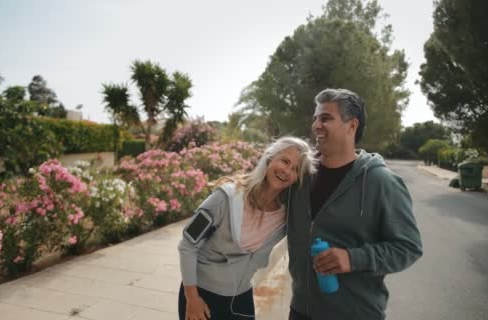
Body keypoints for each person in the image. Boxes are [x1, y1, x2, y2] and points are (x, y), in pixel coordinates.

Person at [287, 88, 423, 320]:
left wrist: (353, 258)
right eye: (315, 119)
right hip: (301, 310)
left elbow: (408, 247)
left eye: (326, 118)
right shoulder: (300, 176)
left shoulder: (381, 181)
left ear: (352, 125)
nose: (316, 125)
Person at [178, 136, 318, 320]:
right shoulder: (226, 198)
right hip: (202, 296)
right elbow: (187, 246)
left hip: (241, 300)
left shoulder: (285, 217)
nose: (286, 171)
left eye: (295, 170)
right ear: (270, 157)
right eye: (284, 161)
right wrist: (192, 298)